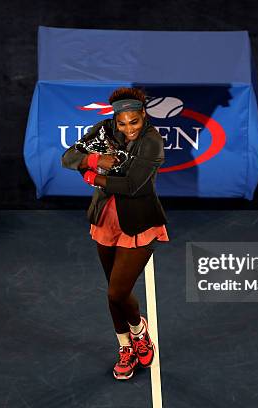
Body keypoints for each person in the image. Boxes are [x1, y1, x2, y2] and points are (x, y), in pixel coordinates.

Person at [61, 87, 169, 380]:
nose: (128, 128)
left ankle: (139, 331)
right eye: (122, 123)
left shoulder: (152, 141)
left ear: (143, 115)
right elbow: (67, 157)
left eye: (133, 121)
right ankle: (126, 345)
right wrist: (94, 161)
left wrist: (90, 175)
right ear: (115, 119)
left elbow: (132, 185)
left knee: (116, 291)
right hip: (104, 219)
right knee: (115, 294)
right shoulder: (104, 130)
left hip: (138, 222)